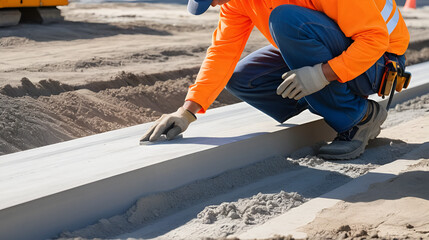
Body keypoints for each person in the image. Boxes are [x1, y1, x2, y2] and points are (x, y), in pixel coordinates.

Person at [141, 0, 410, 160]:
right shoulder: (236, 2)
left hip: (379, 61)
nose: (213, 4)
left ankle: (358, 118)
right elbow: (223, 52)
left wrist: (322, 74)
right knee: (243, 77)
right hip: (339, 48)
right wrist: (188, 111)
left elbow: (374, 39)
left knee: (286, 19)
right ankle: (333, 102)